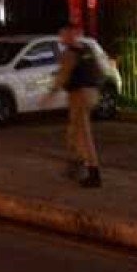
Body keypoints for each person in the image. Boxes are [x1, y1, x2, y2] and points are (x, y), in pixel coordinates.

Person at [55, 25, 102, 188]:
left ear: (70, 35)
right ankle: (75, 166)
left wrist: (49, 95)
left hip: (79, 96)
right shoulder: (87, 49)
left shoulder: (70, 53)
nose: (61, 38)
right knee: (74, 132)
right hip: (91, 93)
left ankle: (93, 172)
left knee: (83, 135)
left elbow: (62, 77)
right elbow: (100, 68)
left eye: (63, 35)